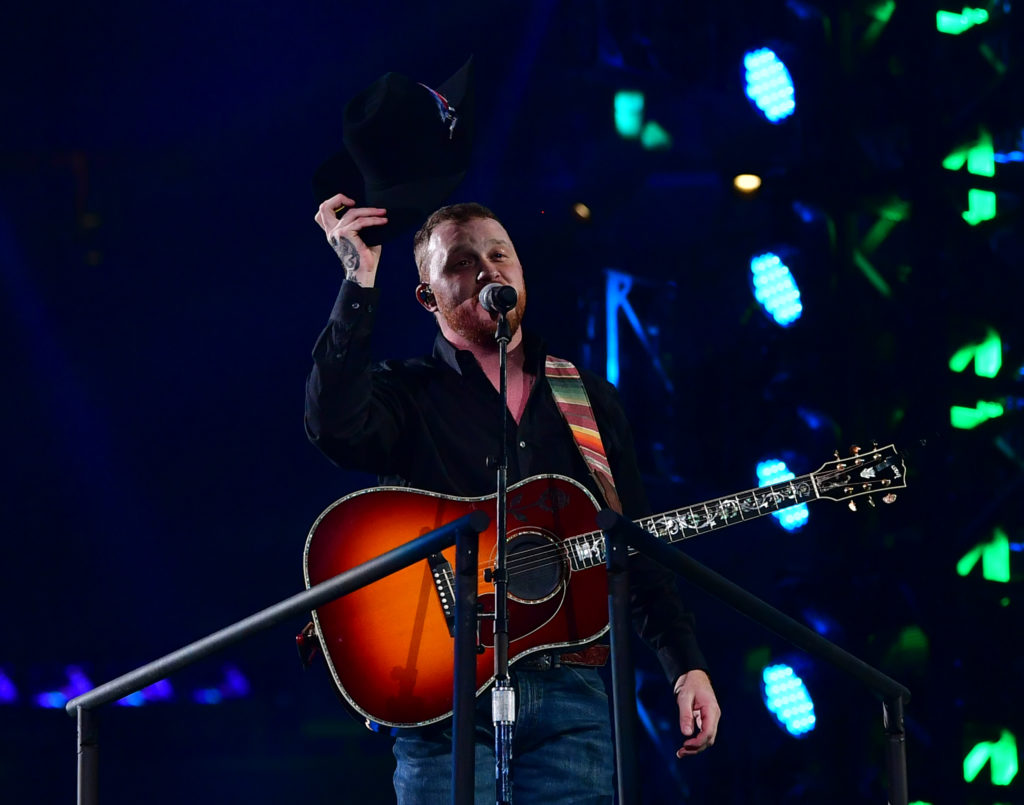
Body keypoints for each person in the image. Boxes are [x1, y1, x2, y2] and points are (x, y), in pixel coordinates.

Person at [305, 190, 722, 803]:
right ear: (428, 296)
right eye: (461, 262)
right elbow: (332, 426)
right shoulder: (405, 393)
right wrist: (359, 282)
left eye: (501, 254)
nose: (487, 268)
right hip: (439, 692)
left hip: (571, 694)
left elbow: (632, 546)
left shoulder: (586, 400)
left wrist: (685, 663)